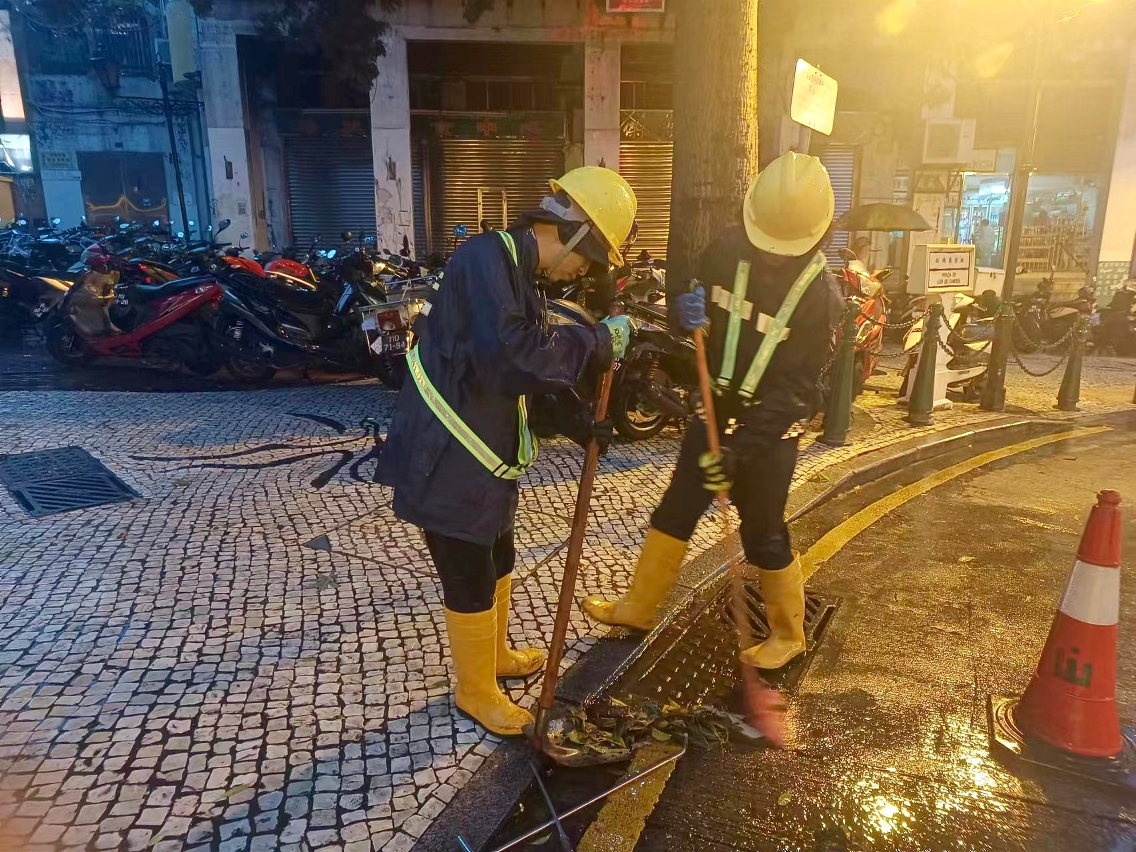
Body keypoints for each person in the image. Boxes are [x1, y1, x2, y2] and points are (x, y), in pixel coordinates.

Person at [378, 167, 636, 737]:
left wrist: (580, 425)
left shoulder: (518, 273)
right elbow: (512, 358)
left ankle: (492, 658)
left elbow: (520, 378)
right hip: (449, 452)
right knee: (467, 569)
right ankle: (474, 691)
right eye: (587, 259)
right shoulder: (484, 259)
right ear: (571, 233)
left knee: (499, 553)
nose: (582, 273)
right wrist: (595, 341)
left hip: (482, 450)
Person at [583, 151, 843, 671]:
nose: (770, 255)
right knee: (676, 508)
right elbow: (690, 287)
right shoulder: (727, 248)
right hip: (714, 403)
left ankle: (788, 633)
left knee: (762, 530)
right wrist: (685, 309)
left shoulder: (821, 296)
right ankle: (639, 607)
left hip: (771, 430)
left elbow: (798, 390)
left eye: (782, 249)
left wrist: (740, 451)